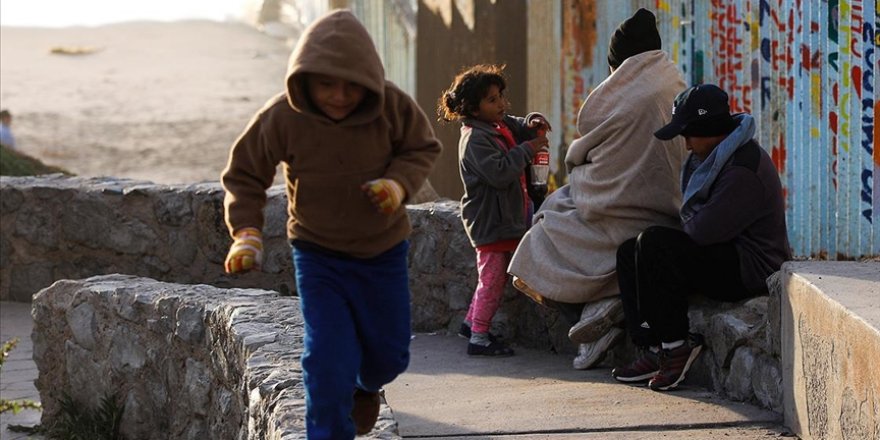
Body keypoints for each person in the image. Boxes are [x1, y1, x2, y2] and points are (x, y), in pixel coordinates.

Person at [220, 10, 441, 438]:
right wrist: (245, 231)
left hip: (383, 252)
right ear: (305, 78)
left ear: (369, 78)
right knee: (326, 357)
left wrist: (398, 185)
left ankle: (365, 385)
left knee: (389, 356)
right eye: (326, 84)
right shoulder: (283, 116)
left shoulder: (391, 106)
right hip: (318, 254)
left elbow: (421, 147)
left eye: (351, 85)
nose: (339, 95)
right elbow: (245, 172)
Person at [508, 8, 687, 369]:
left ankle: (592, 314)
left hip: (617, 215)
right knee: (561, 205)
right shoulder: (674, 83)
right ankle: (599, 308)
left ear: (618, 63)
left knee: (535, 242)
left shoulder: (617, 97)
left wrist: (582, 178)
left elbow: (581, 157)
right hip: (669, 213)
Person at [611, 84, 791, 391]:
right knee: (630, 250)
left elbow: (701, 231)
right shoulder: (714, 159)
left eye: (688, 135)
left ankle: (676, 345)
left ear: (710, 129)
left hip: (750, 268)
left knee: (654, 244)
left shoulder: (742, 168)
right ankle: (652, 344)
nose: (687, 145)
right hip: (723, 251)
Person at [437, 64, 550, 357]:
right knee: (493, 279)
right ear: (473, 109)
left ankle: (471, 322)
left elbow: (514, 124)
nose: (501, 104)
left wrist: (530, 122)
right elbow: (499, 173)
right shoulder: (475, 139)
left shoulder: (496, 126)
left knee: (493, 276)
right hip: (491, 221)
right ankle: (479, 336)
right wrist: (528, 149)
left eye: (500, 96)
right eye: (492, 100)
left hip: (502, 218)